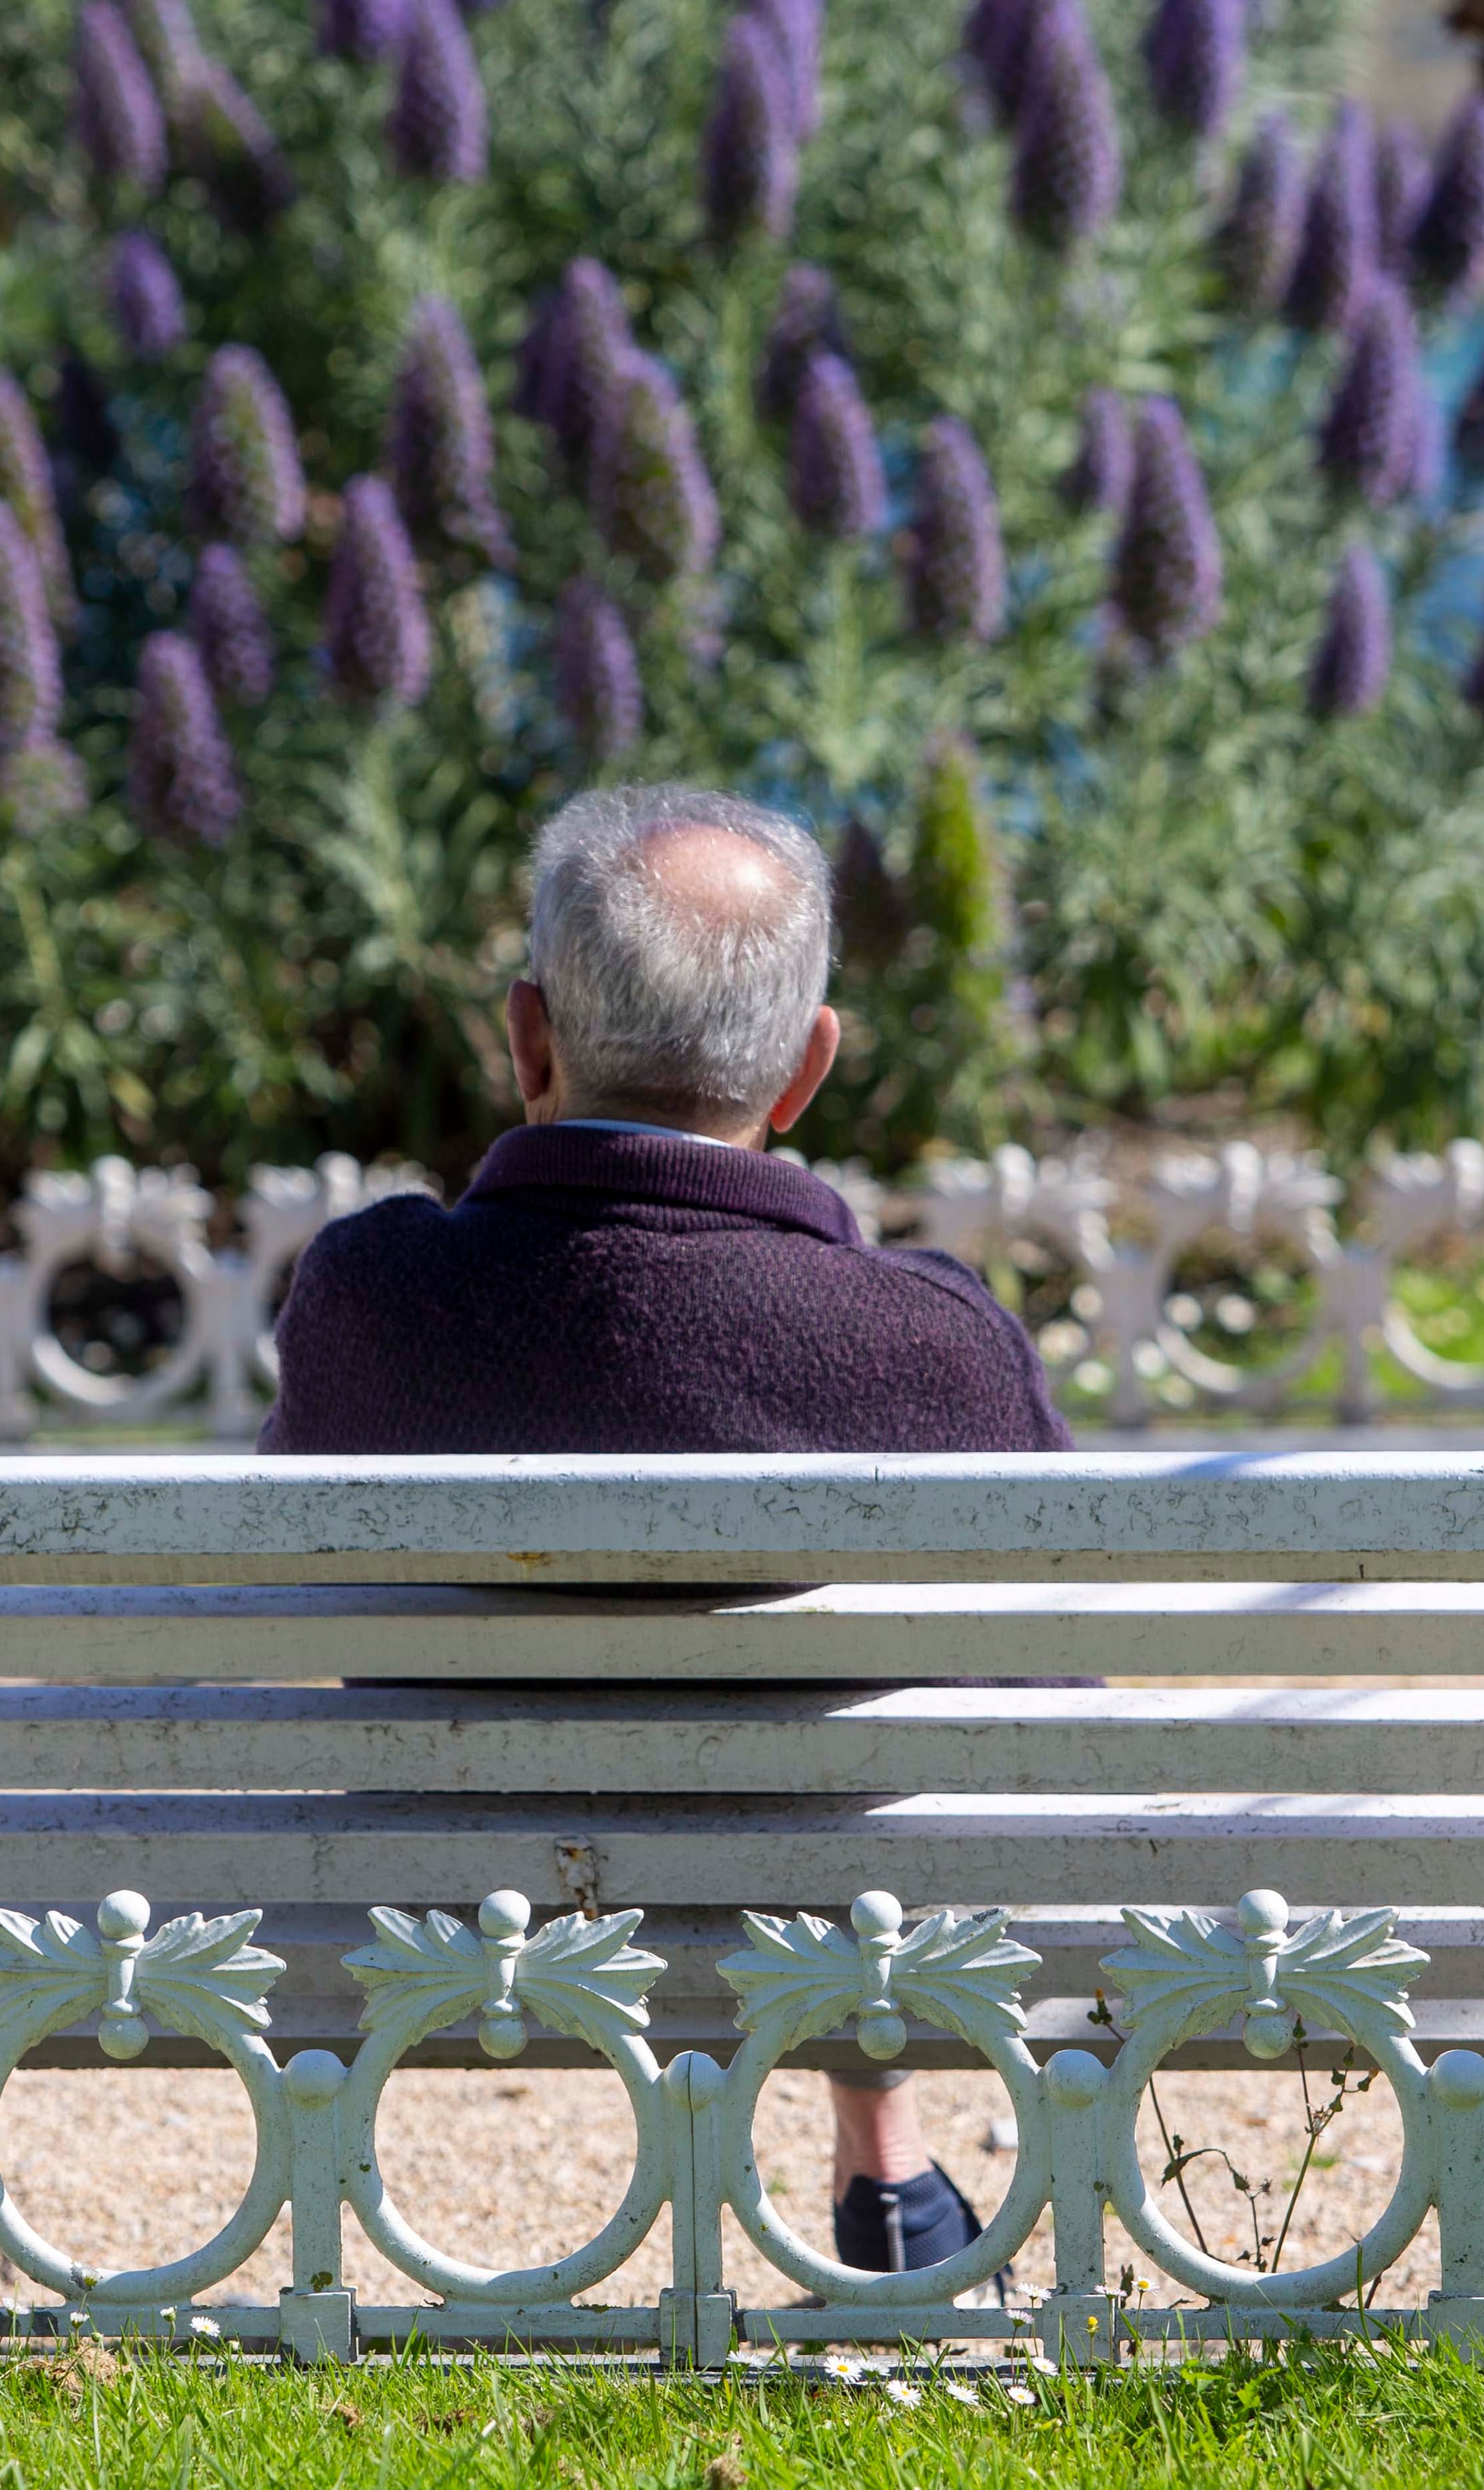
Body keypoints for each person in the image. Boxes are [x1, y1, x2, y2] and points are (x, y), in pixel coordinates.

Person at [261, 781, 1072, 2274]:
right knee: (859, 1738)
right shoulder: (931, 1343)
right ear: (807, 1065)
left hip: (460, 1900)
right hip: (835, 1912)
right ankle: (880, 2156)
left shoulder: (373, 1297)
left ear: (528, 1035)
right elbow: (1059, 1668)